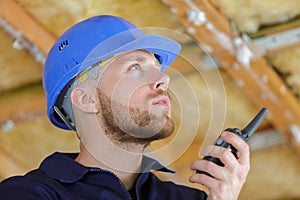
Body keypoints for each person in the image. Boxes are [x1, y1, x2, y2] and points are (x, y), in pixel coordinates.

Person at [0, 15, 250, 200]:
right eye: (135, 68)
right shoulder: (28, 194)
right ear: (86, 99)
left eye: (156, 68)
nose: (163, 79)